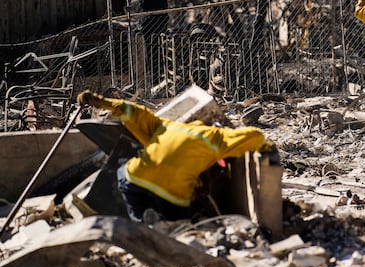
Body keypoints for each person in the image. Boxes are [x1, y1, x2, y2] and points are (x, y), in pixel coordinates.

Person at [76, 90, 279, 222]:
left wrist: (100, 101)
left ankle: (142, 224)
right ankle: (170, 225)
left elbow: (135, 112)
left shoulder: (168, 126)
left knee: (124, 173)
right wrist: (267, 147)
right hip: (172, 192)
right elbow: (251, 135)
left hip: (137, 178)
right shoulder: (214, 138)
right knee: (180, 222)